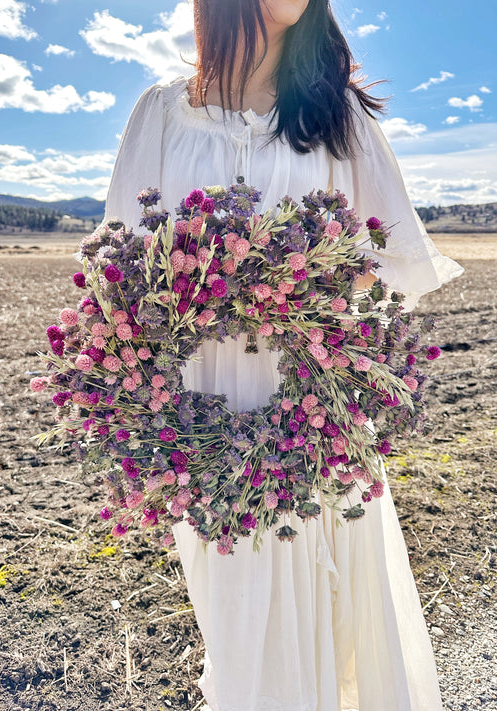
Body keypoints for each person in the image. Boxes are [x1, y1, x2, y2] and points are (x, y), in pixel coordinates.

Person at [98, 1, 464, 709]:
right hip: (196, 417)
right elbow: (119, 272)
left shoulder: (335, 119)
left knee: (308, 617)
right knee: (237, 621)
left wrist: (296, 290)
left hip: (303, 409)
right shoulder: (161, 113)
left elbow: (390, 261)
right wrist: (139, 402)